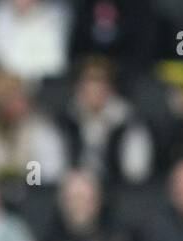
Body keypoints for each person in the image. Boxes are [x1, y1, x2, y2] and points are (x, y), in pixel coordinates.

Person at [57, 56, 153, 186]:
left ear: (111, 87)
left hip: (118, 192)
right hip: (76, 190)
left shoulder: (129, 122)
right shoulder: (64, 121)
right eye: (89, 81)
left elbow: (137, 172)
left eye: (101, 81)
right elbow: (53, 169)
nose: (95, 88)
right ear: (78, 87)